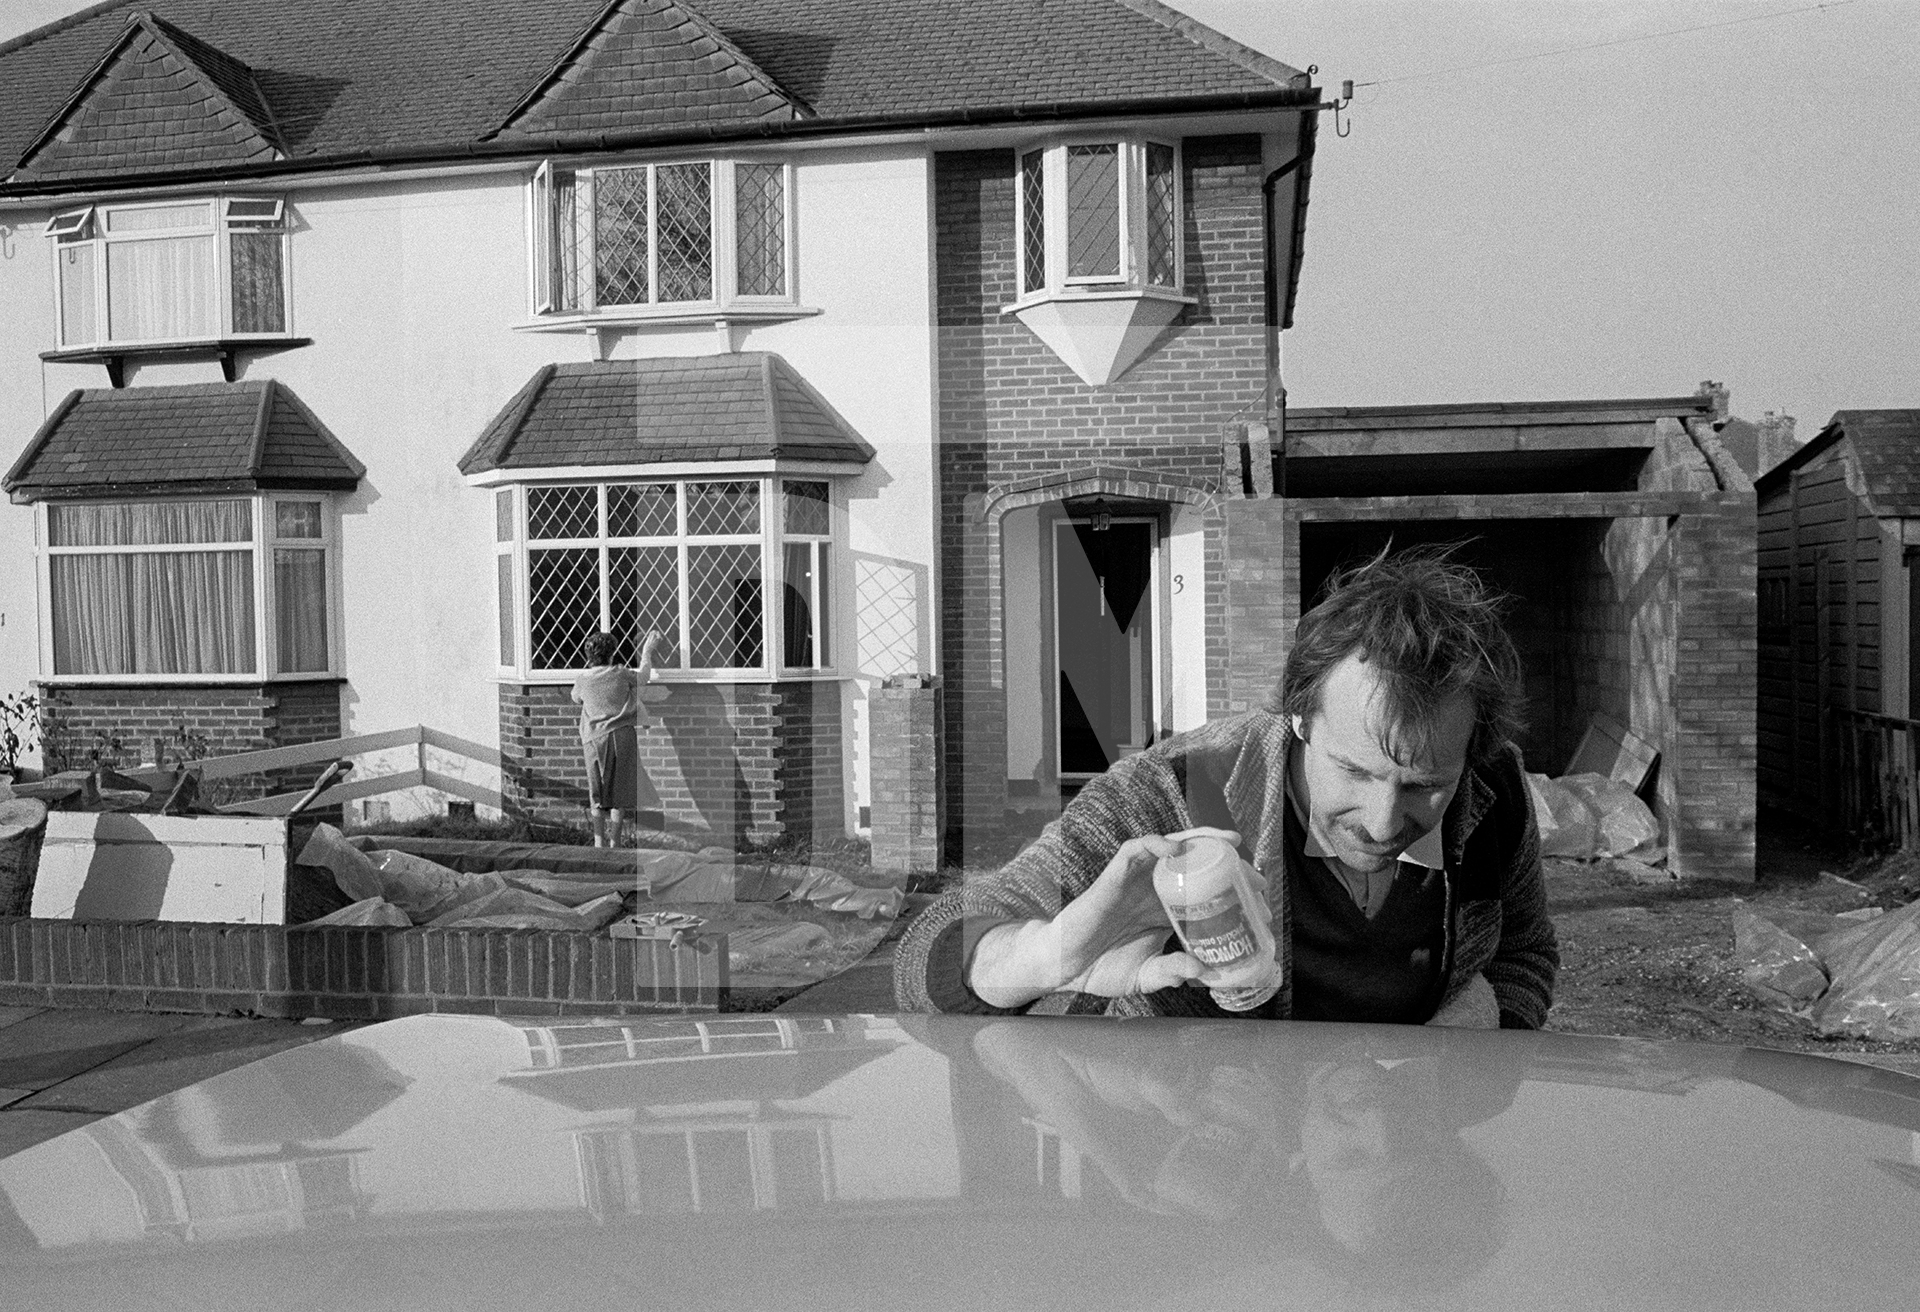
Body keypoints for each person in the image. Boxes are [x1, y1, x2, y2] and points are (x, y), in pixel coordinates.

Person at [894, 547, 1558, 1027]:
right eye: (1354, 771)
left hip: (1406, 1174)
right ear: (1297, 715)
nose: (1384, 823)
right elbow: (929, 953)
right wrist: (1046, 954)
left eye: (1423, 787)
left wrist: (1467, 1029)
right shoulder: (1182, 789)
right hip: (1213, 1191)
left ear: (1473, 753)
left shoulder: (1492, 793)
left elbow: (1523, 954)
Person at [570, 630, 664, 847]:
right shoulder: (621, 673)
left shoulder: (583, 679)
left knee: (597, 790)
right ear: (611, 654)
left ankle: (598, 843)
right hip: (622, 736)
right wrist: (647, 652)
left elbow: (576, 698)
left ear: (588, 656)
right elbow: (644, 677)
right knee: (619, 792)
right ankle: (615, 843)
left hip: (594, 739)